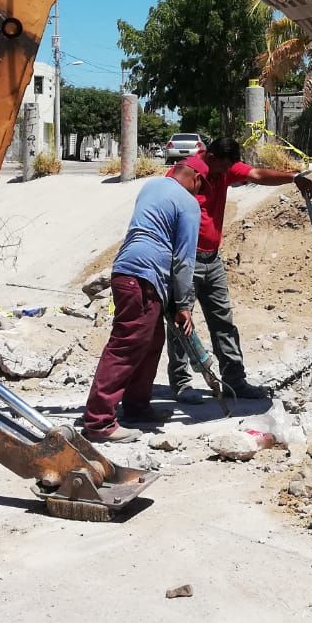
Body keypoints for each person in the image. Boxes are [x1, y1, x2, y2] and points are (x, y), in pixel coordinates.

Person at [167, 135, 312, 402]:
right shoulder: (186, 172)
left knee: (223, 322)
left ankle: (235, 381)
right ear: (211, 157)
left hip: (212, 260)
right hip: (185, 260)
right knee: (182, 322)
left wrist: (293, 177)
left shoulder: (225, 167)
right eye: (224, 167)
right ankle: (181, 384)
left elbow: (257, 174)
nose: (227, 174)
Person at [80, 160, 205, 443]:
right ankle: (99, 422)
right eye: (202, 187)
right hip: (144, 278)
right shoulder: (187, 202)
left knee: (151, 342)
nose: (200, 194)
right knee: (126, 345)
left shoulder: (153, 186)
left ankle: (136, 407)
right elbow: (184, 260)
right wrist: (183, 305)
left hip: (126, 270)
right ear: (195, 178)